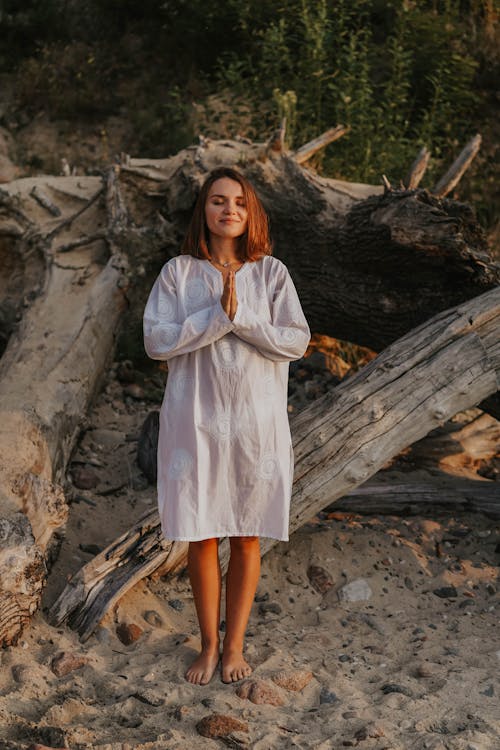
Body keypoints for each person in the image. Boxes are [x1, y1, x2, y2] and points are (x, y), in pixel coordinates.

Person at [143, 166, 311, 685]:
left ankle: (236, 644)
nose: (229, 209)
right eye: (218, 200)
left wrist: (244, 319)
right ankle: (209, 644)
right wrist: (216, 316)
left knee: (245, 534)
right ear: (205, 210)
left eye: (239, 201)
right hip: (195, 421)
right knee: (201, 532)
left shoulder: (271, 273)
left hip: (255, 425)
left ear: (251, 212)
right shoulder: (178, 273)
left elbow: (297, 341)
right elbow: (156, 341)